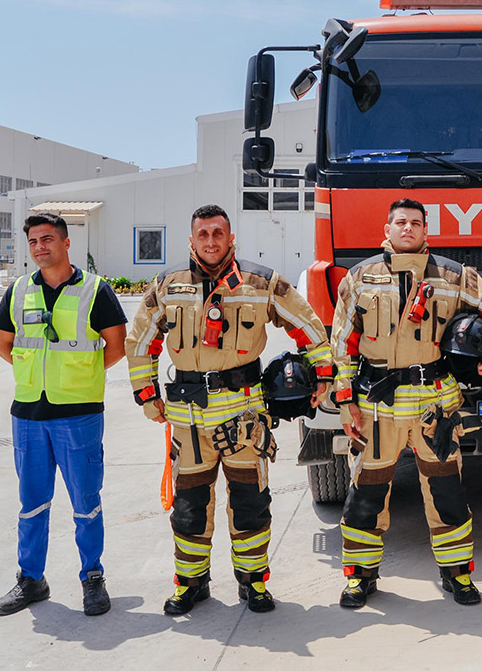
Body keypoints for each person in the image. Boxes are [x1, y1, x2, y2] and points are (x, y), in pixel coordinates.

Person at [124, 204, 331, 615]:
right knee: (188, 509)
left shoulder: (260, 282)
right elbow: (141, 339)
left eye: (218, 233)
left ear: (231, 238)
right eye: (203, 234)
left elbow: (306, 324)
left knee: (251, 503)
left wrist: (322, 373)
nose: (211, 241)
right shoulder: (168, 285)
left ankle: (253, 583)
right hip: (188, 421)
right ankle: (191, 584)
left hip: (244, 418)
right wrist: (147, 395)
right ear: (191, 240)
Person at [331, 198, 482, 608]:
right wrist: (345, 400)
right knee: (366, 495)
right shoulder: (360, 277)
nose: (408, 229)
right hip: (377, 407)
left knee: (447, 492)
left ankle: (458, 575)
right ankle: (360, 577)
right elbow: (341, 342)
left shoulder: (453, 276)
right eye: (401, 222)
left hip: (436, 406)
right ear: (388, 227)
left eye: (415, 223)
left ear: (425, 230)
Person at [0, 212, 127, 617]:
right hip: (29, 416)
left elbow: (115, 347)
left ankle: (92, 578)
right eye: (33, 241)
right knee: (31, 502)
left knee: (86, 502)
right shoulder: (18, 292)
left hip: (79, 416)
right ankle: (31, 580)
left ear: (67, 243)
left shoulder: (95, 291)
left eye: (47, 238)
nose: (39, 247)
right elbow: (4, 344)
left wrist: (78, 377)